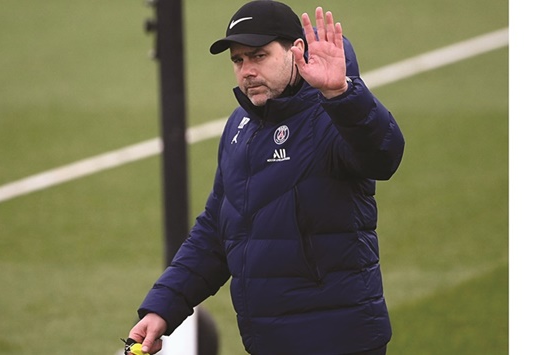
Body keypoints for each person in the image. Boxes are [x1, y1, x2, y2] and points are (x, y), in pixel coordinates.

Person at [127, 1, 405, 354]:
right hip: (269, 343)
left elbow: (384, 155)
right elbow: (216, 231)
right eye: (238, 60)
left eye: (259, 56)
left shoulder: (332, 113)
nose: (247, 71)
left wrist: (341, 94)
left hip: (338, 341)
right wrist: (163, 307)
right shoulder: (239, 126)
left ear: (296, 51)